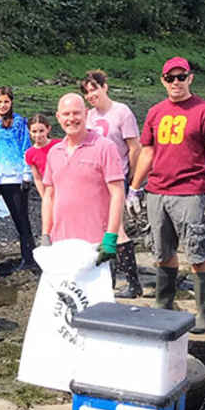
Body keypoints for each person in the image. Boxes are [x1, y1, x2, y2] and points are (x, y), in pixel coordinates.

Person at [126, 56, 205, 333]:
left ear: (190, 78)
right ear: (163, 81)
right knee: (162, 252)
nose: (176, 83)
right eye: (170, 78)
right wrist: (134, 187)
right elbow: (147, 151)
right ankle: (164, 303)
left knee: (197, 253)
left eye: (181, 77)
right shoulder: (156, 112)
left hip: (191, 191)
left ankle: (203, 313)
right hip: (157, 192)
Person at [40, 93, 125, 265]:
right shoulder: (54, 152)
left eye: (76, 113)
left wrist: (111, 237)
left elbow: (118, 193)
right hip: (61, 242)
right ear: (58, 117)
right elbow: (49, 195)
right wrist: (45, 234)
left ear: (86, 113)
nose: (71, 118)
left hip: (95, 244)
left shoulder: (105, 147)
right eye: (66, 114)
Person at [81, 69, 143, 298]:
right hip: (94, 179)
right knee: (102, 228)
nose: (91, 95)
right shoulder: (89, 116)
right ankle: (110, 279)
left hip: (116, 177)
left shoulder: (121, 112)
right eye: (87, 92)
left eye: (94, 89)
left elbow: (135, 148)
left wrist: (133, 181)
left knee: (117, 229)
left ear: (104, 86)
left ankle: (133, 282)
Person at [0, 86, 36, 270]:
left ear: (11, 103)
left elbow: (26, 147)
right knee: (12, 218)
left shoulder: (18, 122)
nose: (2, 105)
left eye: (6, 102)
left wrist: (27, 174)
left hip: (16, 178)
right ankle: (26, 254)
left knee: (21, 217)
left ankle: (29, 257)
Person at [24, 114, 60, 198]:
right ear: (29, 131)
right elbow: (37, 178)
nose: (38, 135)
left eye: (41, 131)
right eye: (34, 131)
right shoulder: (30, 153)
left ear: (48, 129)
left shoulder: (59, 145)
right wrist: (44, 197)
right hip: (49, 189)